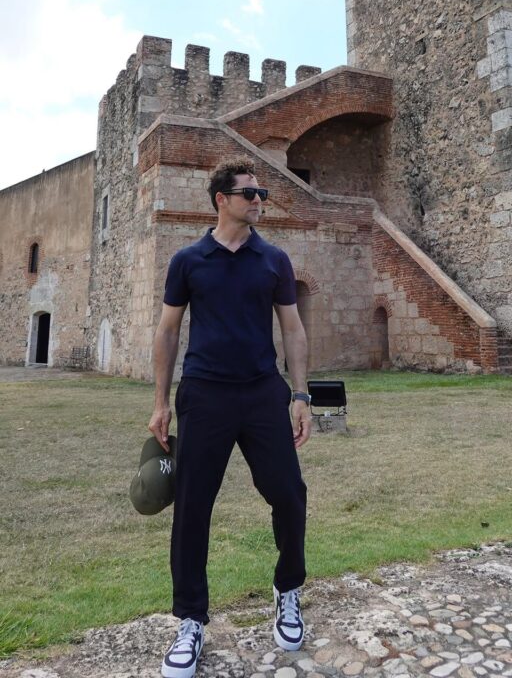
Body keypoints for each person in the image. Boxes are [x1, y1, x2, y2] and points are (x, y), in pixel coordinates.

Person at [148, 158, 312, 678]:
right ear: (222, 199)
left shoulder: (275, 260)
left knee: (289, 492)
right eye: (250, 193)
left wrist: (301, 394)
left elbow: (292, 328)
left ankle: (287, 589)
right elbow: (168, 332)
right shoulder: (188, 260)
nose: (260, 200)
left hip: (264, 392)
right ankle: (191, 620)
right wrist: (160, 402)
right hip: (205, 394)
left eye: (262, 193)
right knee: (193, 507)